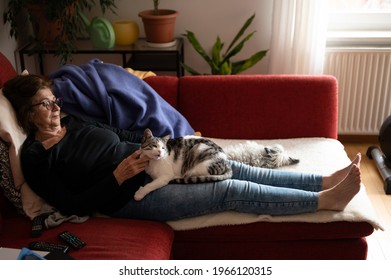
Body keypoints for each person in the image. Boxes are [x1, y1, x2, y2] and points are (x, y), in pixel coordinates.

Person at [2, 74, 362, 221]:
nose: (56, 108)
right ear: (27, 114)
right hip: (132, 193)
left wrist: (160, 144)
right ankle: (325, 200)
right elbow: (70, 203)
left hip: (158, 160)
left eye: (55, 100)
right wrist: (117, 176)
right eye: (46, 105)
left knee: (235, 165)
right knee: (231, 189)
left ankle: (323, 179)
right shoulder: (36, 157)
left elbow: (118, 132)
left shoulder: (73, 123)